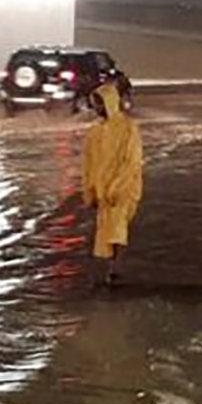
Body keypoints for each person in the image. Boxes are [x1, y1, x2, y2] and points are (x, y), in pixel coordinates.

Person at [82, 82, 143, 285]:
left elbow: (131, 160)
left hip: (125, 187)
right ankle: (110, 267)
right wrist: (90, 190)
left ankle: (116, 268)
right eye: (95, 104)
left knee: (118, 228)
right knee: (106, 229)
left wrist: (118, 186)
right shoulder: (95, 131)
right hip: (101, 188)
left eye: (100, 104)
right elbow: (88, 162)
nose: (97, 109)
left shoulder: (128, 128)